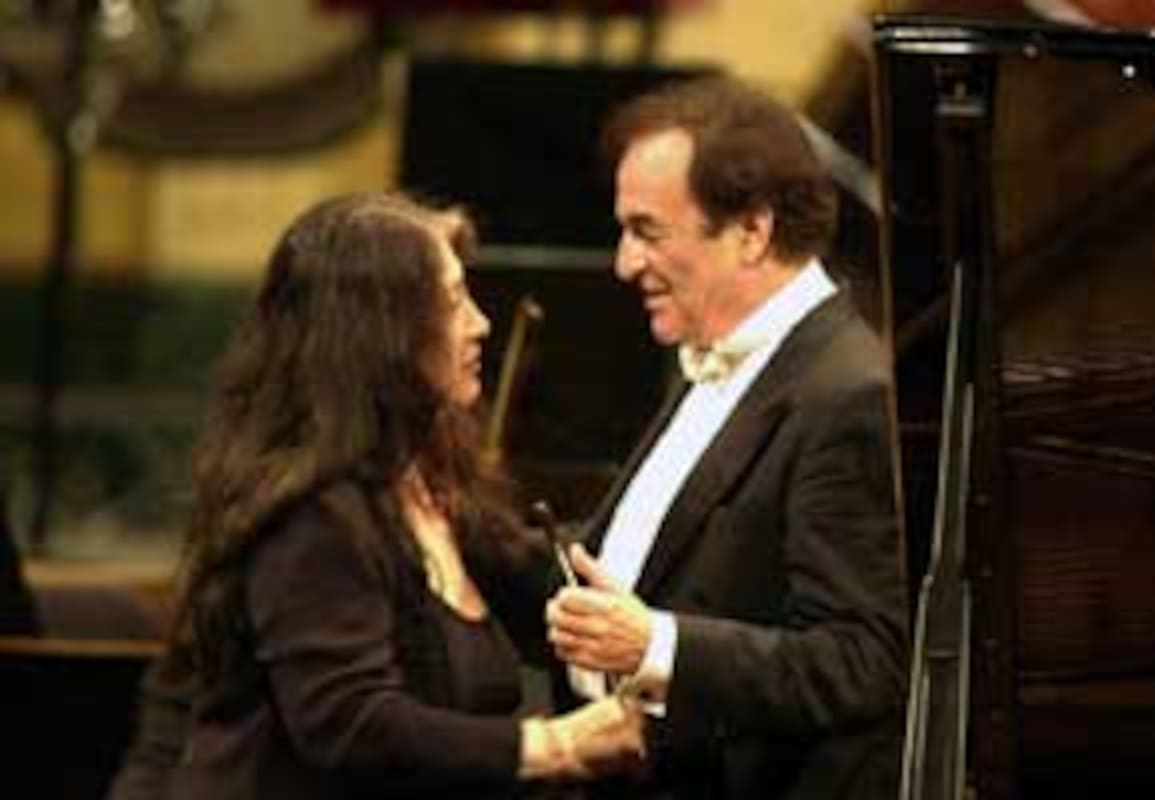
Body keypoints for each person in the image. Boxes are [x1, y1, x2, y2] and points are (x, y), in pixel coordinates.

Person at [142, 191, 642, 800]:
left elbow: (546, 590)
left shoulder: (432, 485)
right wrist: (558, 745)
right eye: (455, 301)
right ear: (381, 333)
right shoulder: (312, 513)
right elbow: (349, 724)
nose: (481, 324)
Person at [545, 76, 910, 799]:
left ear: (753, 231)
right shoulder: (710, 355)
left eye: (647, 231)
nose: (623, 263)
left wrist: (660, 647)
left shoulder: (850, 395)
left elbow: (865, 663)